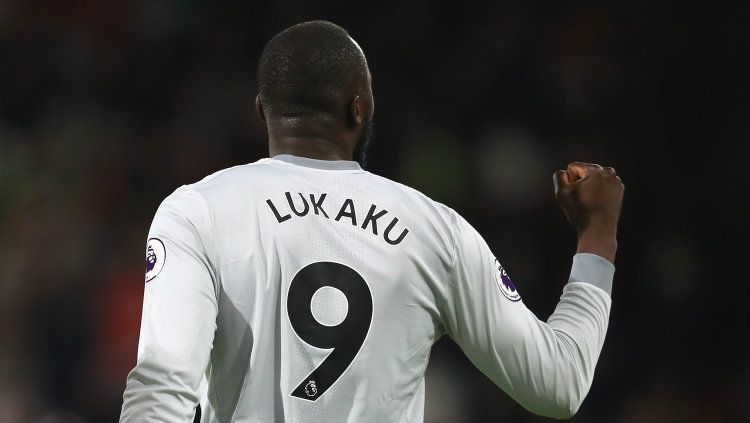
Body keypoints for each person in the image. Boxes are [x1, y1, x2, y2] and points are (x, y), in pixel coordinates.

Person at [119, 20, 624, 422]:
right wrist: (597, 232)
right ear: (359, 108)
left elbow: (160, 391)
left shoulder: (198, 211)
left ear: (262, 111)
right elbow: (560, 384)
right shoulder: (434, 232)